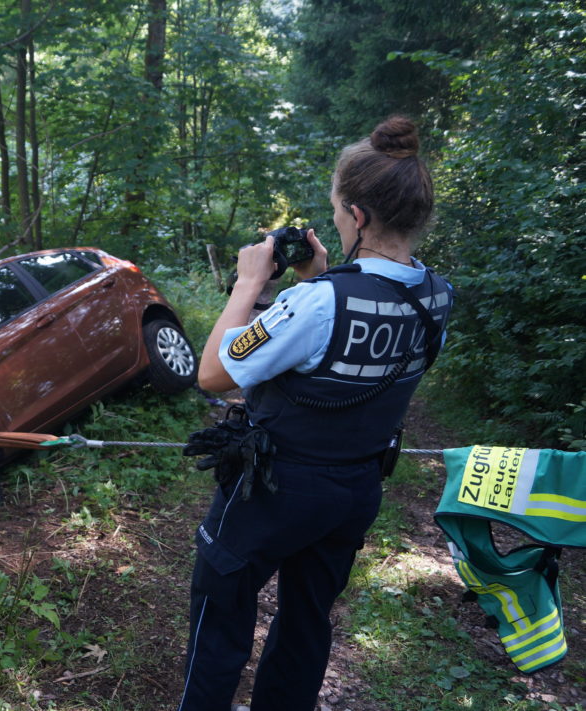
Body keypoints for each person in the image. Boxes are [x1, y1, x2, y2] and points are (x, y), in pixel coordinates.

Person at [177, 116, 454, 711]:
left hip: (274, 490)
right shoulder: (437, 295)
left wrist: (248, 286)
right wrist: (319, 279)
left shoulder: (316, 302)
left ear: (357, 216)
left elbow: (214, 376)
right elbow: (362, 346)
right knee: (306, 624)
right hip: (356, 487)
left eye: (336, 209)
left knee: (220, 612)